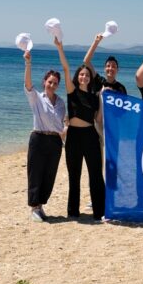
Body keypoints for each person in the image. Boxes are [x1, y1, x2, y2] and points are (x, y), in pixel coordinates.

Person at [54, 37, 105, 220]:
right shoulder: (71, 91)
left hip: (90, 136)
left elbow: (98, 119)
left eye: (87, 75)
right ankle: (73, 212)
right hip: (73, 137)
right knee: (74, 176)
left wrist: (101, 98)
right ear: (78, 77)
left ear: (90, 79)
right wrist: (60, 48)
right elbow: (66, 68)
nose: (84, 76)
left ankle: (100, 212)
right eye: (82, 74)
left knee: (95, 175)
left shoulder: (93, 96)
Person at [22, 48, 67, 223]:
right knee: (35, 173)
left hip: (55, 141)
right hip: (38, 139)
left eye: (55, 83)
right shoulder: (36, 98)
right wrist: (28, 63)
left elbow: (63, 122)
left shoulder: (61, 102)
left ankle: (41, 205)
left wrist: (65, 133)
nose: (52, 85)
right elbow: (27, 84)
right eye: (50, 82)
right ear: (44, 82)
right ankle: (34, 208)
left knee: (49, 175)